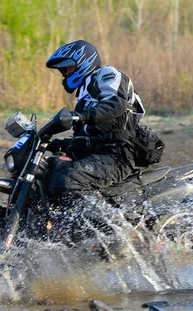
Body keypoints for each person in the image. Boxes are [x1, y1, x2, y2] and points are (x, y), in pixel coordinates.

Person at [45, 40, 145, 198]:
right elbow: (86, 138)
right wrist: (52, 145)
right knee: (48, 172)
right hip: (95, 155)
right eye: (62, 70)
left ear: (84, 61)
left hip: (116, 156)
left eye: (67, 68)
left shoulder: (107, 75)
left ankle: (108, 221)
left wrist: (82, 116)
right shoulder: (83, 95)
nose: (64, 74)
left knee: (68, 180)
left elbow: (115, 104)